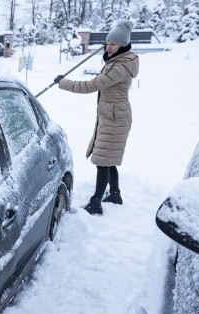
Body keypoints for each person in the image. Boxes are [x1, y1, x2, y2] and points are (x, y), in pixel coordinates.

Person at [53, 21, 139, 215]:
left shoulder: (120, 67)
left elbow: (91, 85)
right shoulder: (119, 61)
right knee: (109, 159)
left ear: (123, 46)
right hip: (113, 115)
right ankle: (115, 195)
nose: (109, 47)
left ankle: (95, 203)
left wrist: (63, 83)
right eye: (107, 42)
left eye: (113, 44)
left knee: (103, 161)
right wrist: (109, 50)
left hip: (115, 118)